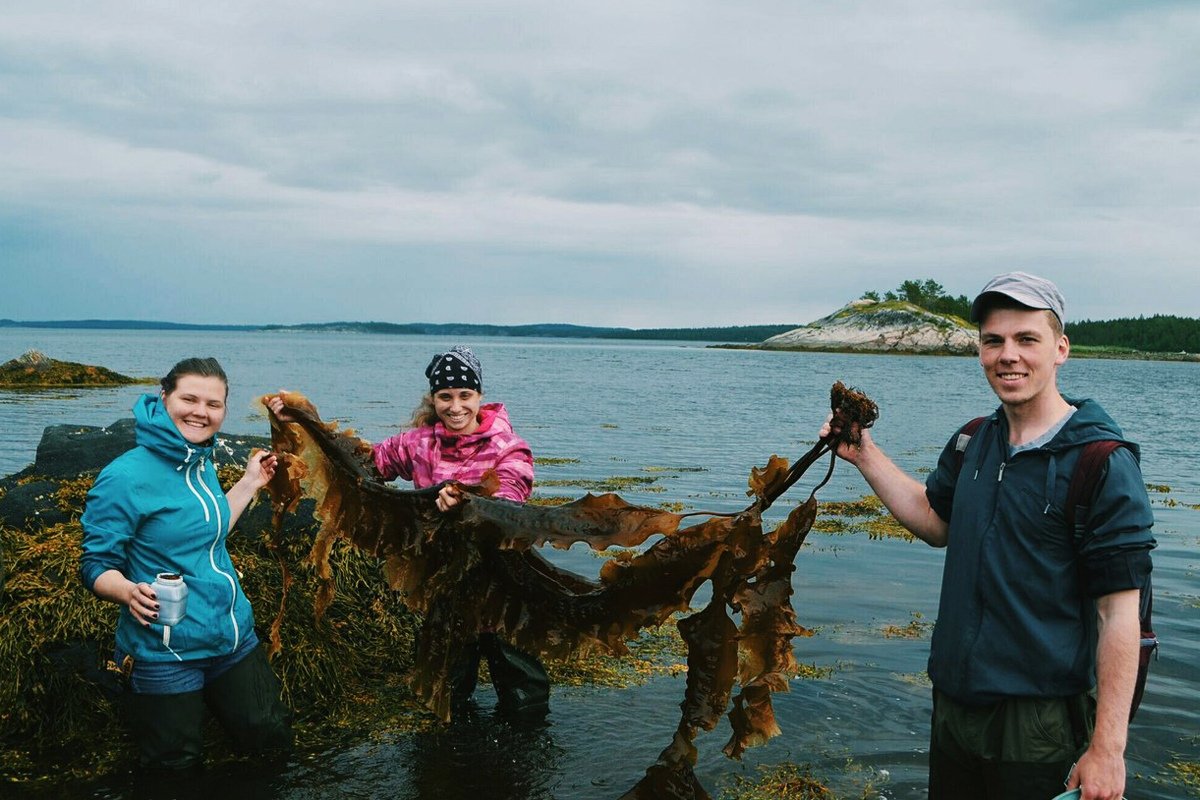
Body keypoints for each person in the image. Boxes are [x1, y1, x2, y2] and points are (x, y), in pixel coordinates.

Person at [822, 272, 1154, 800]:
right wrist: (863, 452)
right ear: (979, 350)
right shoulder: (973, 441)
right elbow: (936, 522)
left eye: (1027, 339)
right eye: (994, 341)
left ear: (1060, 349)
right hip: (953, 706)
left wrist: (1107, 749)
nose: (1008, 356)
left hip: (1037, 725)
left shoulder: (1101, 464)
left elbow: (1120, 617)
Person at [267, 345, 549, 714]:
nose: (456, 406)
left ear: (480, 396)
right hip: (443, 584)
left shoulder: (509, 448)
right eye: (445, 396)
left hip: (504, 588)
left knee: (525, 699)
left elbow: (512, 498)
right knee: (449, 696)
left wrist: (470, 504)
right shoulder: (418, 444)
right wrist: (301, 418)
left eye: (465, 395)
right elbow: (364, 465)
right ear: (433, 399)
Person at [80, 357, 293, 772]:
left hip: (232, 637)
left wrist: (250, 482)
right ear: (164, 398)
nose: (201, 411)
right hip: (164, 651)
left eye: (214, 404)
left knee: (271, 739)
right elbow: (95, 564)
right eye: (189, 399)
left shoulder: (200, 461)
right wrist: (126, 591)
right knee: (175, 770)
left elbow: (208, 531)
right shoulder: (123, 477)